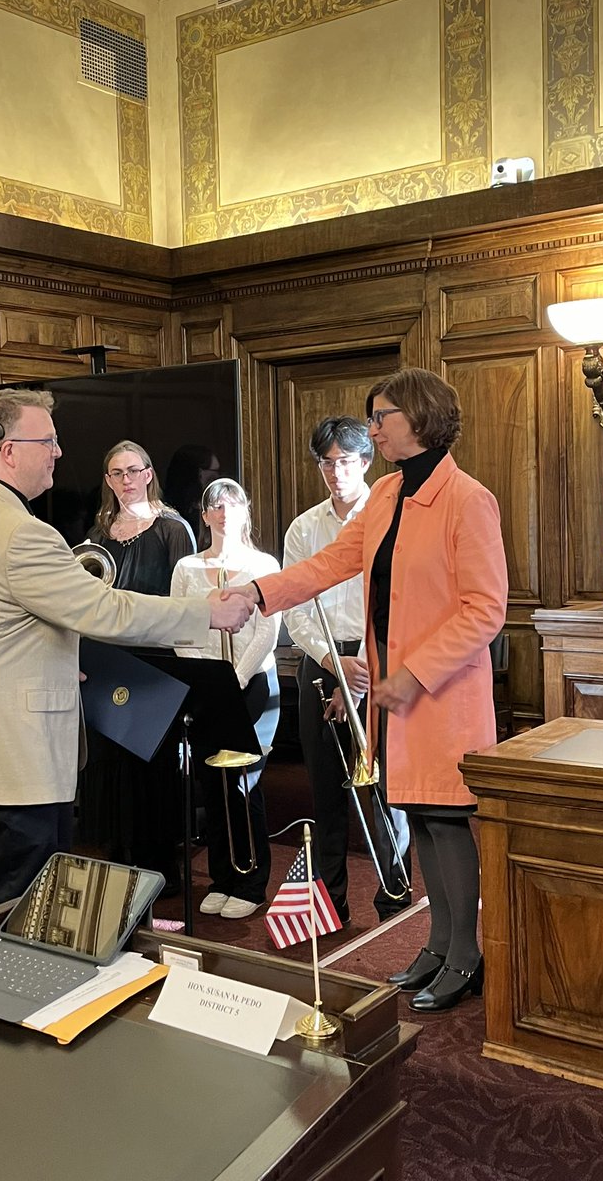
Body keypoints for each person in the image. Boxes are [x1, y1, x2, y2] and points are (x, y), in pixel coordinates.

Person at [232, 368, 508, 1012]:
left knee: (447, 822)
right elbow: (330, 564)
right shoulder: (385, 494)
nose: (375, 426)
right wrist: (258, 593)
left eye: (383, 416)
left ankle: (466, 956)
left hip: (440, 695)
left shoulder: (469, 499)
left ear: (421, 418)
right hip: (399, 696)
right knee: (420, 817)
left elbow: (484, 609)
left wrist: (411, 674)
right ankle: (439, 946)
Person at [0, 389, 252, 933]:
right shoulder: (21, 532)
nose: (58, 452)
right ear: (7, 448)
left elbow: (4, 630)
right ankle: (11, 1011)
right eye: (48, 441)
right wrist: (205, 613)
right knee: (17, 919)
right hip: (14, 757)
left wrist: (55, 660)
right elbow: (105, 609)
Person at [283, 416, 411, 925]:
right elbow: (295, 610)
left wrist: (362, 667)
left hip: (378, 660)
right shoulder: (304, 527)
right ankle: (329, 903)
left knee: (383, 790)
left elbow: (398, 600)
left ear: (366, 462)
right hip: (321, 661)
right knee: (325, 790)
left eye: (345, 462)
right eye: (326, 463)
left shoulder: (389, 516)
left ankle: (393, 899)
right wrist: (334, 667)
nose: (335, 472)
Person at [78, 440, 196, 893]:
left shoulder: (172, 529)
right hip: (108, 659)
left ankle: (159, 868)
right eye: (116, 473)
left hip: (153, 661)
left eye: (133, 471)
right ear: (108, 481)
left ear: (148, 474)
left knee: (152, 765)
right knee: (110, 765)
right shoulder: (97, 534)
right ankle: (119, 860)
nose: (126, 480)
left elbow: (182, 600)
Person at [170, 478, 281, 918]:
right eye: (215, 504)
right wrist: (207, 675)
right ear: (205, 515)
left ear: (245, 512)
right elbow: (180, 624)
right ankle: (222, 876)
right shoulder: (186, 568)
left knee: (244, 784)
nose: (224, 511)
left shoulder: (263, 563)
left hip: (250, 684)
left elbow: (268, 633)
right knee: (210, 783)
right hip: (208, 685)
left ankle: (251, 883)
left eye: (233, 503)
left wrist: (231, 678)